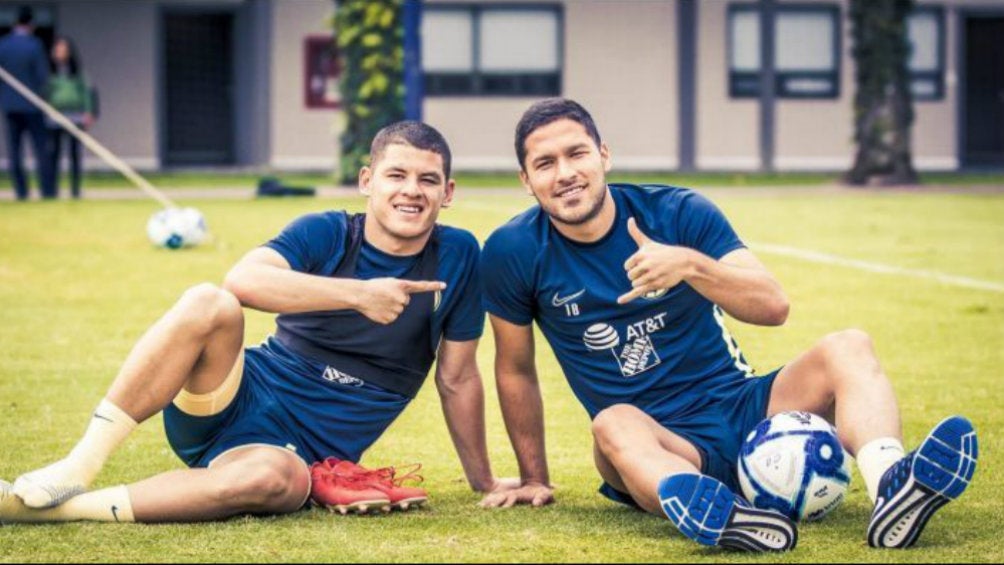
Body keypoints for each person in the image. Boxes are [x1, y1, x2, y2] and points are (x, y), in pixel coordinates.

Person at [477, 98, 978, 552]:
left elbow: (773, 306)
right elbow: (515, 369)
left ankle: (892, 484)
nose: (565, 173)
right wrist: (533, 477)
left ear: (603, 155)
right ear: (526, 180)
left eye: (576, 154)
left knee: (848, 345)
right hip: (657, 441)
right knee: (611, 423)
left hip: (745, 408)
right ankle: (727, 515)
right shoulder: (513, 251)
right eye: (545, 163)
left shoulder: (676, 211)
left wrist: (692, 267)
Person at [0, 121, 511, 524]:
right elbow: (242, 281)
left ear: (447, 192)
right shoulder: (327, 231)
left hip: (291, 453)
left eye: (427, 180)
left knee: (276, 484)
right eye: (396, 175)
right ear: (366, 181)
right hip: (229, 397)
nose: (411, 191)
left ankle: (41, 511)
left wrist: (484, 481)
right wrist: (359, 295)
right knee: (209, 301)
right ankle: (78, 467)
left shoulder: (461, 255)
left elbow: (458, 376)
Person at [0, 5, 54, 200]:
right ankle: (47, 191)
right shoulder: (34, 45)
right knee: (41, 149)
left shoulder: (3, 45)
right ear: (31, 24)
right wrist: (45, 99)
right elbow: (43, 77)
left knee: (15, 151)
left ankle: (21, 192)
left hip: (11, 106)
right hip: (32, 106)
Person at [46, 35, 94, 199]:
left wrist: (88, 112)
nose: (60, 52)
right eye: (58, 49)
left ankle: (75, 191)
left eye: (63, 49)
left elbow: (87, 92)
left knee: (74, 155)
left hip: (75, 116)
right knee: (54, 154)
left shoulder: (77, 73)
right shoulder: (49, 73)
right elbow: (45, 93)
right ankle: (52, 190)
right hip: (55, 117)